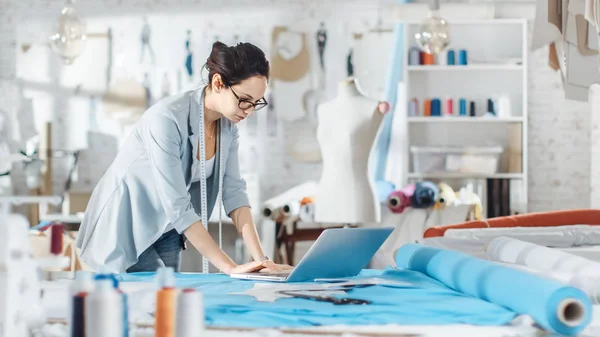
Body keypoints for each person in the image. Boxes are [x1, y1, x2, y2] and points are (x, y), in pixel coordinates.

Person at [76, 41, 290, 275]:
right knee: (145, 300)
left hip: (167, 226)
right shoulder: (166, 119)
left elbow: (234, 192)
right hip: (125, 224)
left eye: (256, 103)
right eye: (245, 100)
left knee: (169, 302)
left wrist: (262, 261)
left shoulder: (228, 128)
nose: (249, 111)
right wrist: (231, 268)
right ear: (218, 83)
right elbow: (178, 204)